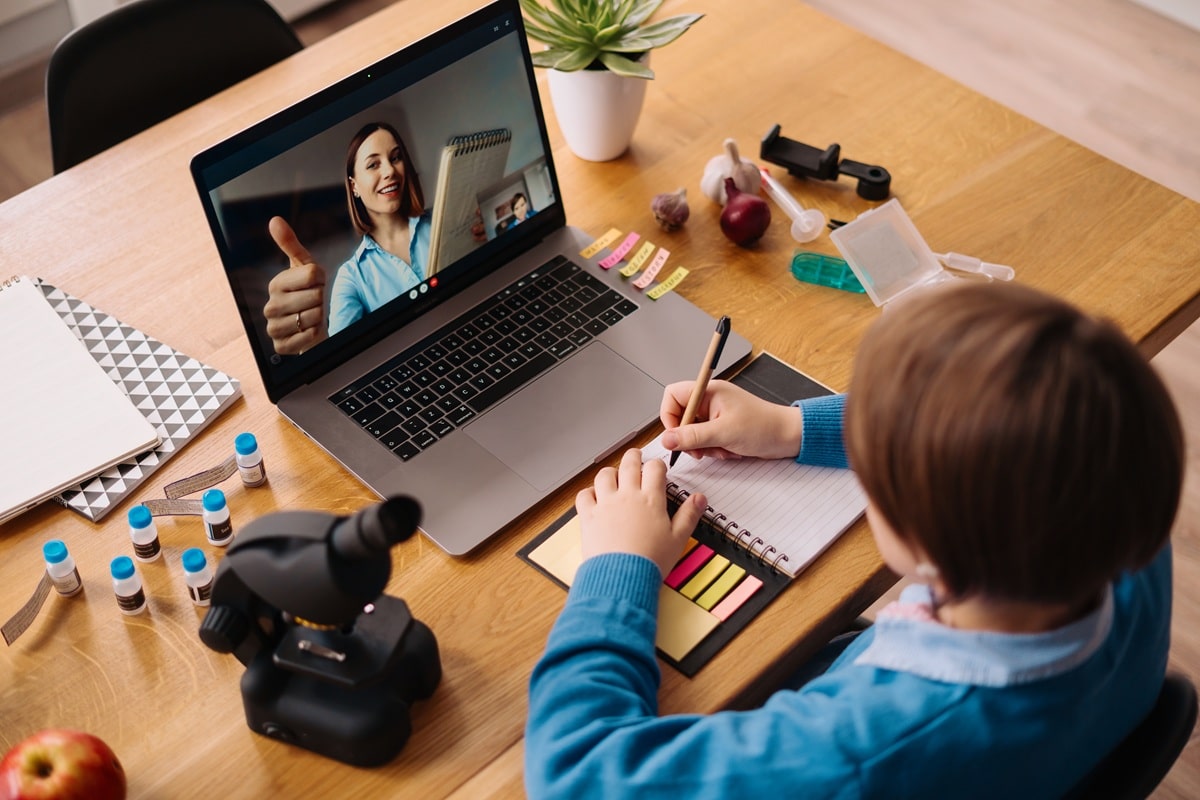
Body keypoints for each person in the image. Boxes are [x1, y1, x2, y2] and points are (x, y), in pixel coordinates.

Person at [524, 281, 1184, 799]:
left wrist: (617, 566)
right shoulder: (1113, 501)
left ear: (929, 553)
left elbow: (574, 772)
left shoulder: (855, 755)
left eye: (877, 467)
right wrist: (793, 429)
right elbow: (1018, 415)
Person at [263, 122, 485, 355]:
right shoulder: (351, 278)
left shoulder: (448, 218)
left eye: (396, 157)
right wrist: (313, 342)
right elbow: (339, 360)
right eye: (373, 164)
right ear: (354, 186)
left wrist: (486, 235)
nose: (389, 171)